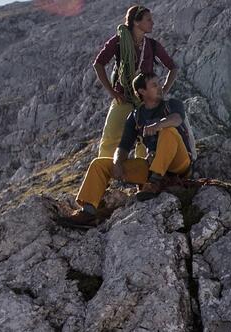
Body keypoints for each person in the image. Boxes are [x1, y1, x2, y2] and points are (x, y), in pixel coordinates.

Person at [57, 75, 192, 227]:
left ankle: (154, 182)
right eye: (154, 85)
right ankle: (88, 212)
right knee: (99, 164)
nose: (160, 87)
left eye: (159, 84)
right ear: (142, 91)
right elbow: (123, 147)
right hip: (151, 166)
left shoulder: (172, 105)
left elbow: (177, 119)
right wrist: (117, 162)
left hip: (178, 163)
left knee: (168, 131)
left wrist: (157, 125)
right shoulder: (135, 116)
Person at [92, 5, 178, 160]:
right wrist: (112, 92)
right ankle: (102, 175)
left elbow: (173, 67)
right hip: (123, 98)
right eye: (148, 20)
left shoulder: (152, 45)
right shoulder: (119, 41)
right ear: (136, 23)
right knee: (110, 139)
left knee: (145, 142)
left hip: (145, 102)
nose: (152, 23)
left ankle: (142, 180)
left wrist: (163, 89)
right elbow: (98, 64)